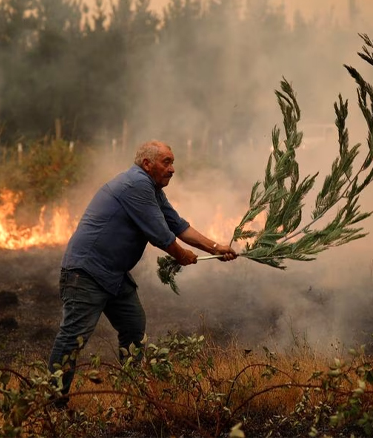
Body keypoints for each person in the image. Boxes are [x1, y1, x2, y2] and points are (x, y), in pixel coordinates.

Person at [48, 139, 237, 407]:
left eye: (173, 162)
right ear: (147, 164)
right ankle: (52, 404)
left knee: (133, 326)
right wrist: (182, 256)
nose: (172, 169)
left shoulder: (153, 190)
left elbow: (178, 226)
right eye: (166, 162)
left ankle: (131, 395)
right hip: (87, 271)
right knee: (73, 338)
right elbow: (161, 235)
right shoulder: (136, 184)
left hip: (113, 274)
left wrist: (217, 248)